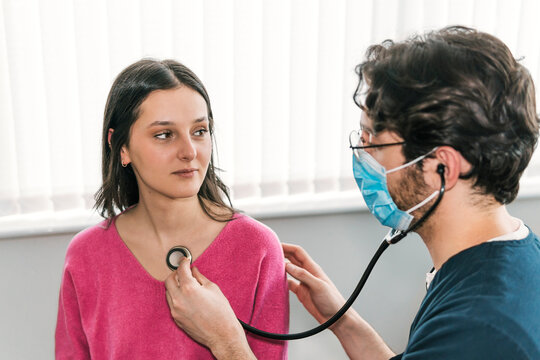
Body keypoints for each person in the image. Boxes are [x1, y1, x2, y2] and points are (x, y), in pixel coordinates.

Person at [163, 26, 540, 359]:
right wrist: (340, 318)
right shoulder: (506, 259)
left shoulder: (481, 328)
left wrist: (226, 342)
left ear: (441, 167)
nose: (362, 154)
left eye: (373, 139)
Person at [55, 59, 289, 359]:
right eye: (165, 134)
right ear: (121, 146)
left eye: (200, 131)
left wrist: (225, 340)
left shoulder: (258, 247)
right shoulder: (85, 255)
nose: (189, 151)